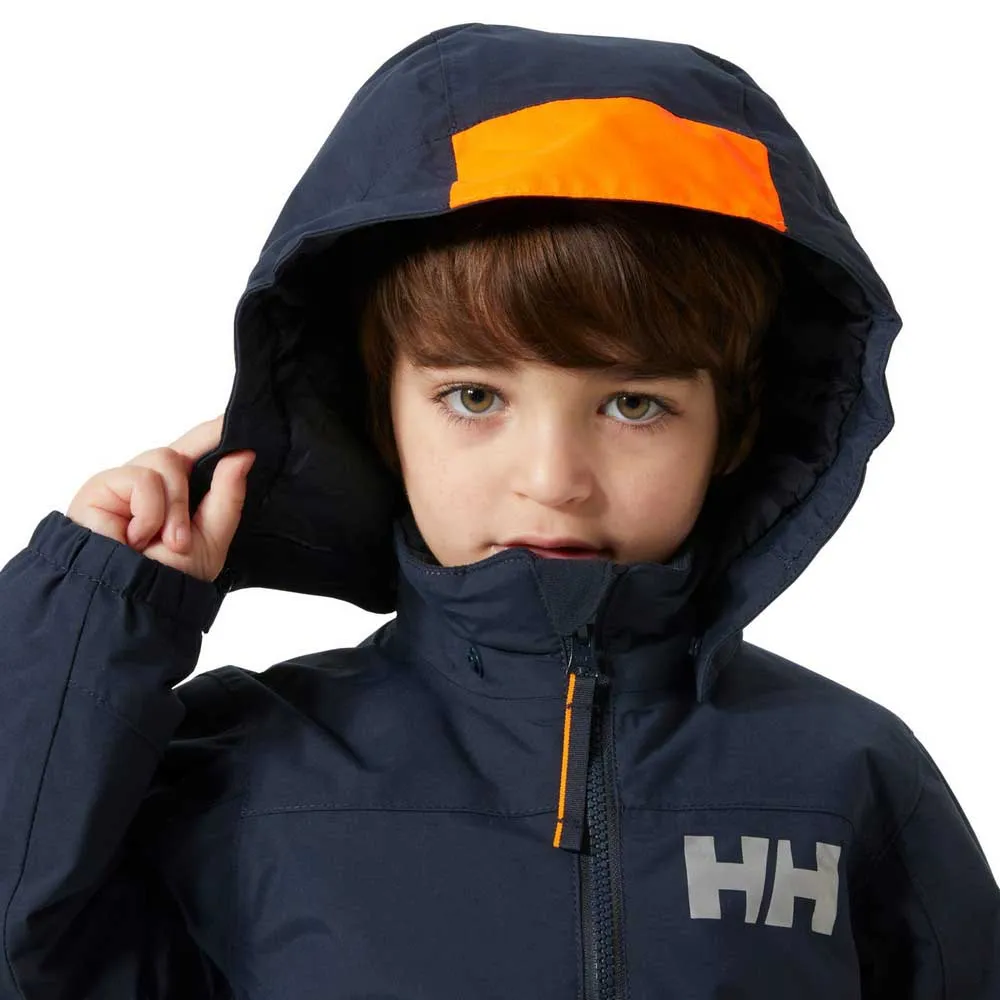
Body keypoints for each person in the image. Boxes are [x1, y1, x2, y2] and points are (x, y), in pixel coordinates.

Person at [0, 20, 997, 999]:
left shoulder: (847, 774)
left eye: (633, 404)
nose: (554, 478)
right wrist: (96, 611)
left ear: (733, 430)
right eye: (475, 396)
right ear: (381, 418)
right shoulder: (241, 767)